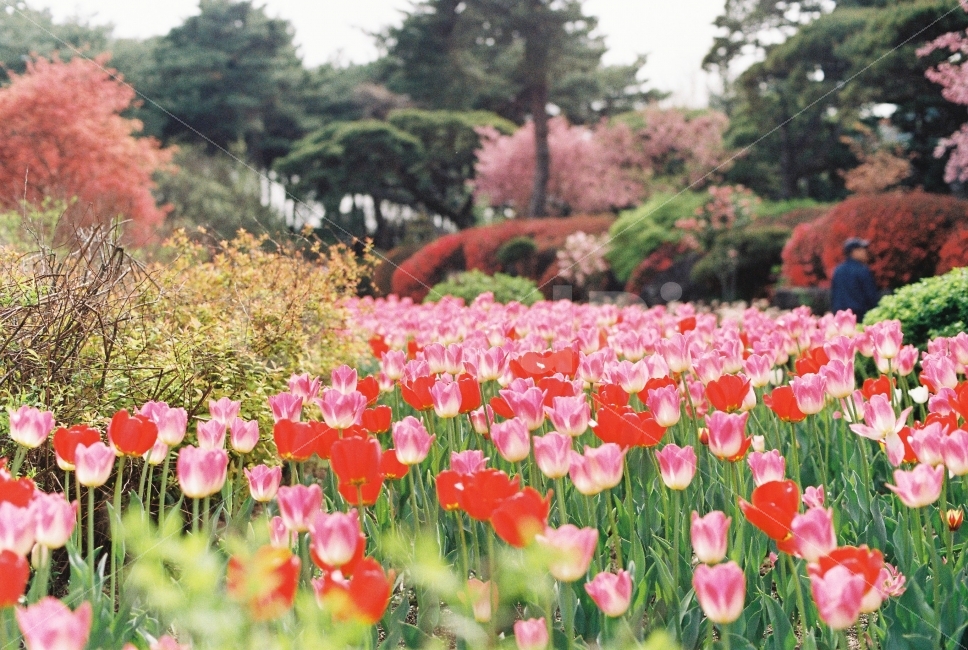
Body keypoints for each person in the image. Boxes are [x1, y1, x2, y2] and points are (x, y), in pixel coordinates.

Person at [830, 237, 880, 319]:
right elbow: (871, 296)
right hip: (859, 315)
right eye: (862, 249)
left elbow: (834, 296)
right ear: (854, 252)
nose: (865, 252)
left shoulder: (838, 270)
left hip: (840, 315)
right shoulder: (862, 270)